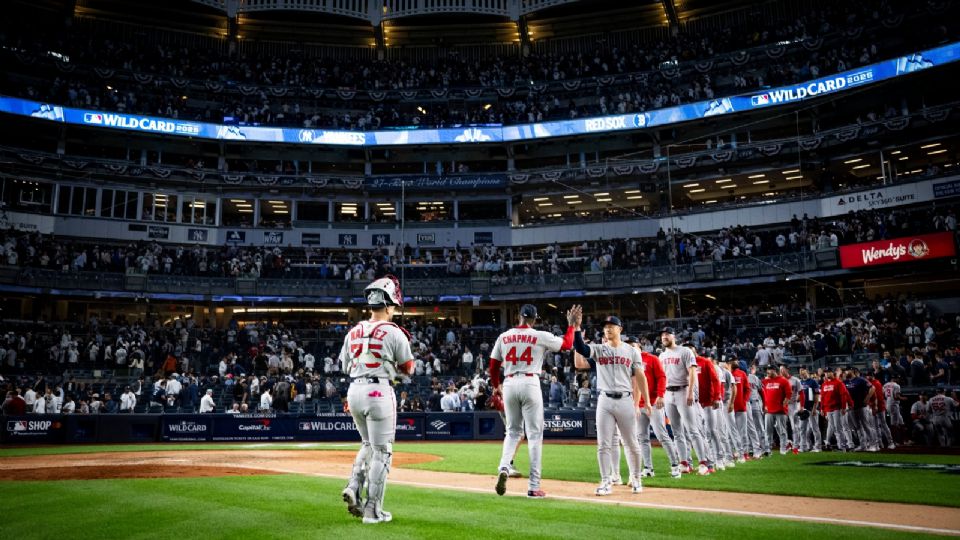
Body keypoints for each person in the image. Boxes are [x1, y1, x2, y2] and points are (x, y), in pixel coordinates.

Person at [340, 275, 416, 524]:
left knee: (367, 444)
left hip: (355, 390)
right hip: (378, 391)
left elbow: (344, 366)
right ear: (388, 305)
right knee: (383, 451)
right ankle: (372, 510)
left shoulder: (353, 331)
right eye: (393, 305)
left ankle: (353, 485)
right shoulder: (394, 332)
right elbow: (409, 368)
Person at [491, 303, 575, 499]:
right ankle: (534, 486)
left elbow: (493, 365)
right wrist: (571, 326)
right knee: (535, 436)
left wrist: (496, 386)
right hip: (530, 381)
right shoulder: (539, 335)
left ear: (519, 316)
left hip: (509, 382)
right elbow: (567, 344)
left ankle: (504, 467)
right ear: (534, 319)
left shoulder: (504, 336)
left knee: (513, 432)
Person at [573, 313, 651, 495]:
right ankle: (606, 481)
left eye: (611, 326)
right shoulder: (599, 349)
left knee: (631, 443)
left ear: (620, 329)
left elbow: (640, 376)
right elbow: (581, 348)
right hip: (605, 400)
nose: (607, 329)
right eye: (605, 326)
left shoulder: (632, 351)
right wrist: (576, 329)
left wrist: (646, 401)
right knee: (604, 444)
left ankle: (636, 479)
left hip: (625, 399)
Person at [658, 327, 712, 475]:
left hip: (683, 391)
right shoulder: (662, 355)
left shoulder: (685, 351)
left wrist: (690, 392)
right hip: (668, 393)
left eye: (667, 334)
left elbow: (692, 372)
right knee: (676, 431)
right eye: (662, 335)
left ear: (674, 336)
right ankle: (684, 463)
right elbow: (662, 377)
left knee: (692, 429)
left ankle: (703, 463)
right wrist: (661, 394)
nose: (664, 337)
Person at [627, 336, 681, 479]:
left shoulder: (651, 359)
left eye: (633, 345)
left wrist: (661, 395)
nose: (630, 348)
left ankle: (675, 465)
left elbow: (662, 377)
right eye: (628, 346)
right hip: (638, 405)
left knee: (661, 435)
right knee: (642, 438)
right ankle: (648, 468)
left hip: (654, 403)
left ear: (639, 346)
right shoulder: (627, 362)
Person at [844, 367, 878, 452]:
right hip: (852, 407)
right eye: (845, 371)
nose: (846, 372)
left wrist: (867, 398)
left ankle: (873, 444)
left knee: (866, 426)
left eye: (847, 370)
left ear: (852, 371)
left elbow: (873, 388)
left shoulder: (860, 380)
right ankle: (863, 445)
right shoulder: (845, 382)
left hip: (861, 406)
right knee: (857, 427)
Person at [761, 365, 792, 455]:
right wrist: (764, 406)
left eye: (769, 370)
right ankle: (768, 449)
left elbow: (789, 393)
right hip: (768, 410)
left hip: (780, 410)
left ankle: (783, 448)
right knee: (768, 431)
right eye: (767, 370)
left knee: (782, 430)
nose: (767, 371)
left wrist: (784, 404)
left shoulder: (783, 380)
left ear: (774, 370)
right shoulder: (765, 381)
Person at [820, 369, 852, 451]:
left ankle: (842, 446)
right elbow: (822, 398)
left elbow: (843, 395)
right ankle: (840, 445)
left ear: (832, 373)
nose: (827, 374)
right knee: (834, 428)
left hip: (837, 408)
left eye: (828, 372)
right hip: (828, 409)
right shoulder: (824, 384)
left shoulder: (838, 383)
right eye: (826, 373)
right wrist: (822, 409)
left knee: (838, 428)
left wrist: (843, 407)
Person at [865, 369, 895, 450]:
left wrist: (875, 406)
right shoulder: (868, 383)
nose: (868, 377)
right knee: (875, 426)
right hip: (872, 407)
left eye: (869, 375)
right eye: (867, 375)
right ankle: (879, 443)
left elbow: (878, 397)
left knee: (883, 425)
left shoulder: (876, 383)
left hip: (879, 407)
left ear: (872, 376)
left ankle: (890, 442)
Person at [797, 368, 822, 452]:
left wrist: (815, 408)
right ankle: (804, 446)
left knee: (815, 428)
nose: (802, 374)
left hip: (811, 408)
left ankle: (818, 447)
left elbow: (817, 395)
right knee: (802, 429)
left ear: (807, 372)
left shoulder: (813, 382)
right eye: (801, 373)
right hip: (803, 409)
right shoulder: (800, 382)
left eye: (803, 372)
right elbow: (798, 396)